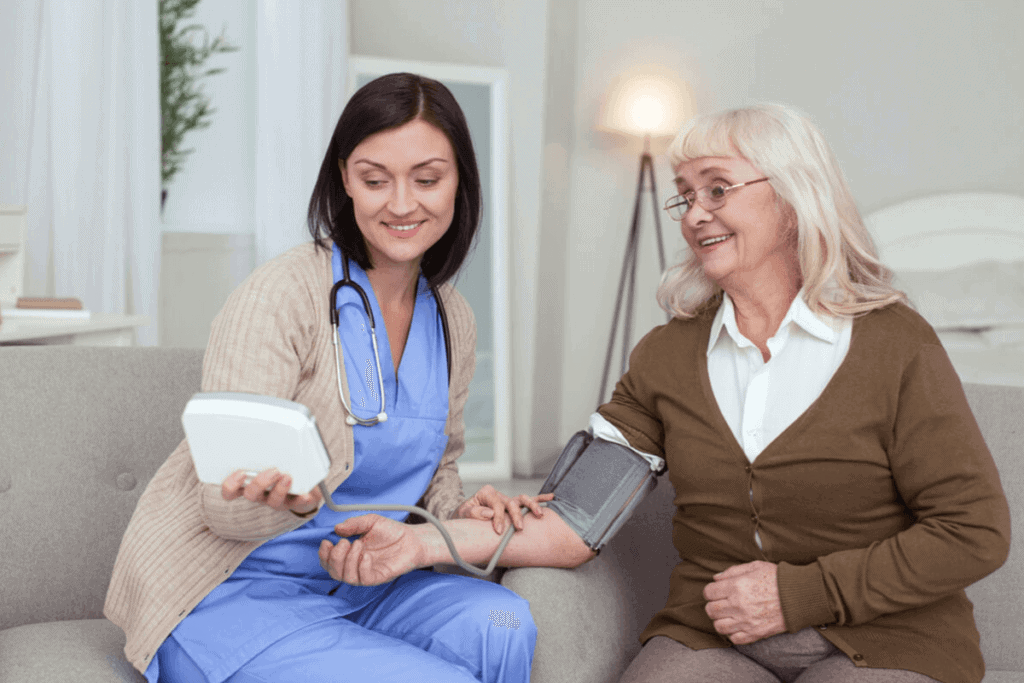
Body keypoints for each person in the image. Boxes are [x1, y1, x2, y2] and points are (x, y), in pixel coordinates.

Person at [104, 72, 593, 683]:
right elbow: (221, 505)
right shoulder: (280, 296)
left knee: (505, 622)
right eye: (375, 179)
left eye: (427, 179)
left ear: (460, 181)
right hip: (235, 593)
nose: (402, 204)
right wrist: (286, 503)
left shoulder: (452, 319)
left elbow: (436, 471)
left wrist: (465, 510)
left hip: (369, 584)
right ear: (344, 180)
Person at [599, 104, 1011, 683]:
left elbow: (974, 532)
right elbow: (578, 508)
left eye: (717, 189)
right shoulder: (665, 354)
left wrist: (800, 593)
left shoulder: (898, 344)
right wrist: (492, 521)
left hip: (889, 638)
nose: (694, 215)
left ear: (793, 198)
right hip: (716, 635)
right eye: (685, 196)